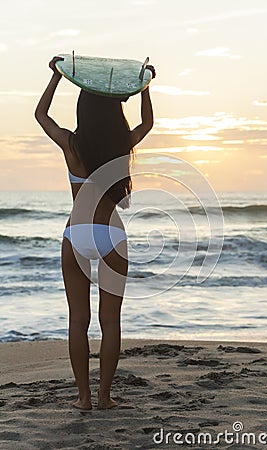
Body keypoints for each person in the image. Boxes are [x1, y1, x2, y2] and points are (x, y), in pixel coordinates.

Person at [35, 56, 155, 410]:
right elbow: (148, 121)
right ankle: (105, 396)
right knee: (110, 321)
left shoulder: (72, 146)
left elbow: (41, 116)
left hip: (76, 235)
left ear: (83, 110)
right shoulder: (122, 145)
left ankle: (84, 398)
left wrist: (57, 76)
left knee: (78, 320)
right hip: (110, 235)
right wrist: (145, 86)